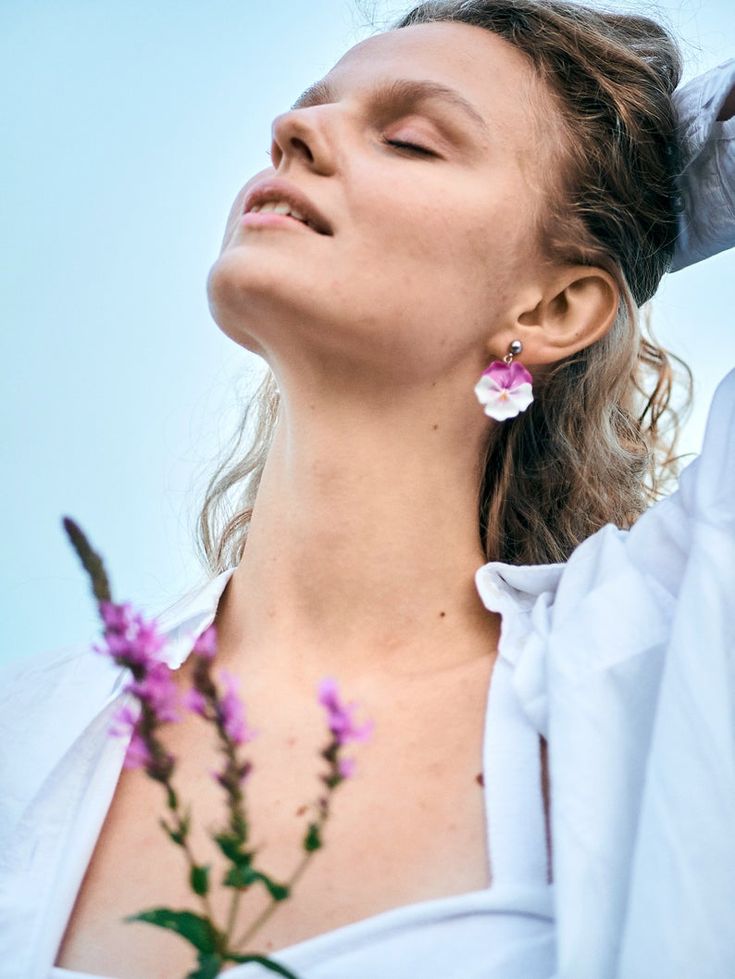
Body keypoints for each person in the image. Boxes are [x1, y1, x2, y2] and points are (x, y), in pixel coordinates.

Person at [1, 2, 734, 978]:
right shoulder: (25, 731)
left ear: (557, 305)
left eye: (410, 139)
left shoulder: (645, 671)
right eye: (309, 109)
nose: (294, 132)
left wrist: (649, 195)